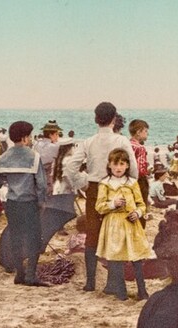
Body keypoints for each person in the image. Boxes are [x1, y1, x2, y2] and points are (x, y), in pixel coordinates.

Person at [64, 102, 138, 292]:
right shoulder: (121, 141)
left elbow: (70, 167)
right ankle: (113, 282)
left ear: (96, 119)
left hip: (95, 189)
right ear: (114, 119)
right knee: (115, 234)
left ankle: (90, 282)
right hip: (115, 188)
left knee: (93, 235)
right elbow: (134, 170)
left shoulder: (88, 141)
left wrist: (84, 181)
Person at [0, 121, 51, 287]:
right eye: (29, 136)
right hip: (29, 202)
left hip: (11, 203)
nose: (30, 139)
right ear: (25, 138)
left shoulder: (5, 156)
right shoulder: (33, 156)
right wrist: (41, 202)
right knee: (34, 239)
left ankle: (19, 274)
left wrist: (5, 182)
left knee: (16, 238)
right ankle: (31, 275)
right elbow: (42, 184)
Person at [95, 148, 152, 301]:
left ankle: (142, 290)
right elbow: (99, 206)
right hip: (114, 224)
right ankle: (121, 291)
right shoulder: (105, 183)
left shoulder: (132, 183)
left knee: (137, 259)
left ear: (127, 165)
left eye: (122, 164)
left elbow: (141, 204)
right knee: (117, 259)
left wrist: (138, 213)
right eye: (115, 164)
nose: (118, 168)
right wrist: (113, 204)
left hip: (131, 224)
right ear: (109, 165)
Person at [129, 119, 150, 219]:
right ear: (138, 132)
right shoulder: (140, 148)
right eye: (145, 131)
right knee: (141, 205)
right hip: (139, 181)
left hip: (128, 180)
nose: (147, 133)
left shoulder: (127, 144)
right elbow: (141, 170)